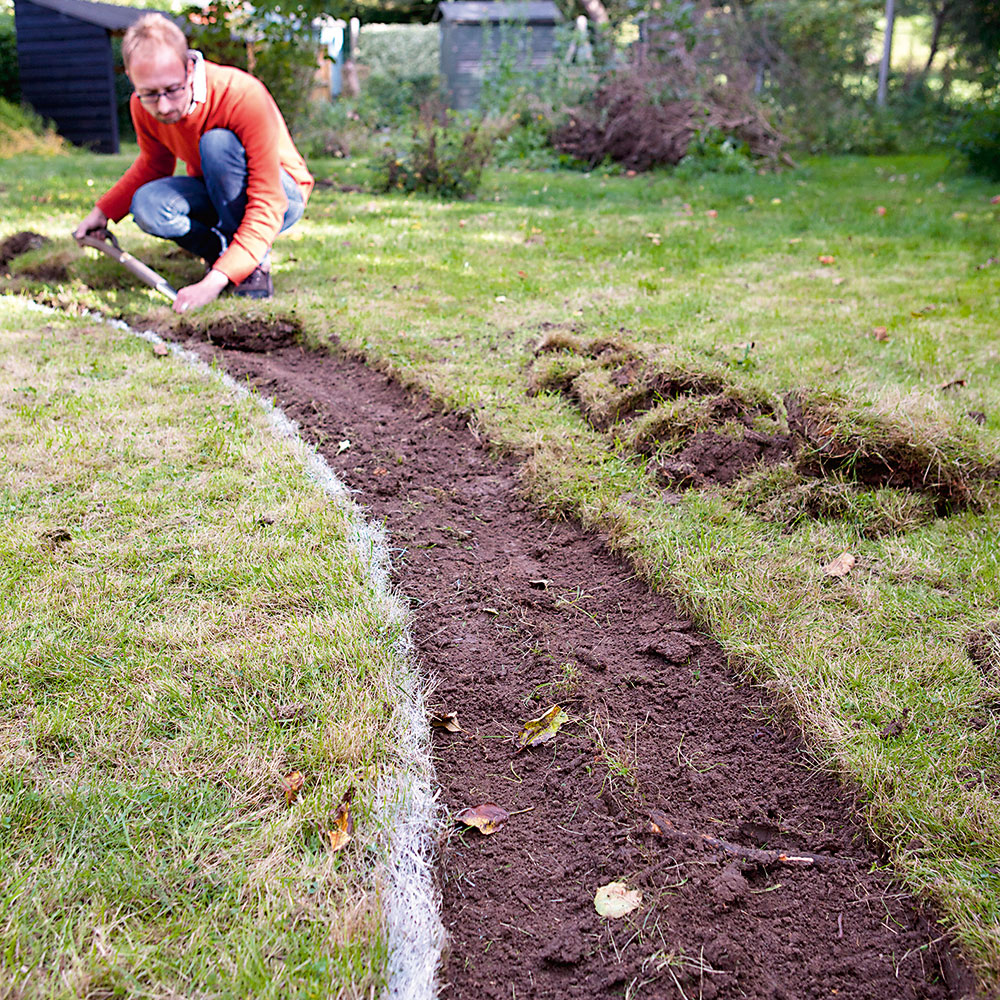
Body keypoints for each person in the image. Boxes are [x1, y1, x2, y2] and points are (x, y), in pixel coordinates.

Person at [74, 13, 313, 314]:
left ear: (189, 68)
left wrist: (211, 284)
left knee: (217, 144)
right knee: (148, 204)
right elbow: (153, 166)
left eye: (172, 90)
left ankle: (252, 265)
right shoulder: (142, 105)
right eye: (148, 93)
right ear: (132, 79)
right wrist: (102, 212)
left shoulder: (240, 94)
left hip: (280, 194)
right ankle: (227, 257)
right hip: (217, 191)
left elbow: (269, 200)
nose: (162, 106)